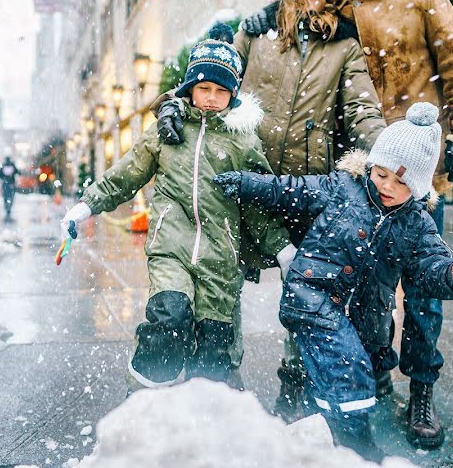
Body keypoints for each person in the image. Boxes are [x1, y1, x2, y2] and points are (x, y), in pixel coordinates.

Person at [235, 0, 453, 446]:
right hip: (356, 178)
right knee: (359, 291)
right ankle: (369, 374)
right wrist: (263, 17)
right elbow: (295, 15)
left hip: (415, 175)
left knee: (422, 284)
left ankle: (422, 387)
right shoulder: (333, 10)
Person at [153, 0, 386, 415]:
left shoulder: (343, 48)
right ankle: (221, 380)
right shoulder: (254, 35)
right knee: (222, 283)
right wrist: (169, 101)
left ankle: (295, 386)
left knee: (308, 290)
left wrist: (390, 156)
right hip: (245, 184)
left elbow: (362, 110)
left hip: (307, 189)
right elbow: (205, 83)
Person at [213, 102, 453, 461]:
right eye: (382, 173)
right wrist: (247, 183)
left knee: (333, 379)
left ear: (416, 187)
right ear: (371, 165)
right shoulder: (342, 187)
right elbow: (290, 189)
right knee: (349, 374)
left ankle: (317, 438)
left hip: (365, 317)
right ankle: (356, 445)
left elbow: (430, 265)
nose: (387, 185)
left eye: (400, 181)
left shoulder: (417, 224)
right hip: (313, 295)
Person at [61, 24, 295, 388]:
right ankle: (144, 398)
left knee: (214, 349)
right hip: (171, 246)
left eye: (221, 90)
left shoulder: (243, 142)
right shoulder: (167, 131)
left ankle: (204, 422)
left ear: (233, 95)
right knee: (168, 318)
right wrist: (87, 204)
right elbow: (126, 173)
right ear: (190, 88)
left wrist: (281, 248)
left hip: (221, 258)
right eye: (204, 88)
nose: (212, 97)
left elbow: (256, 203)